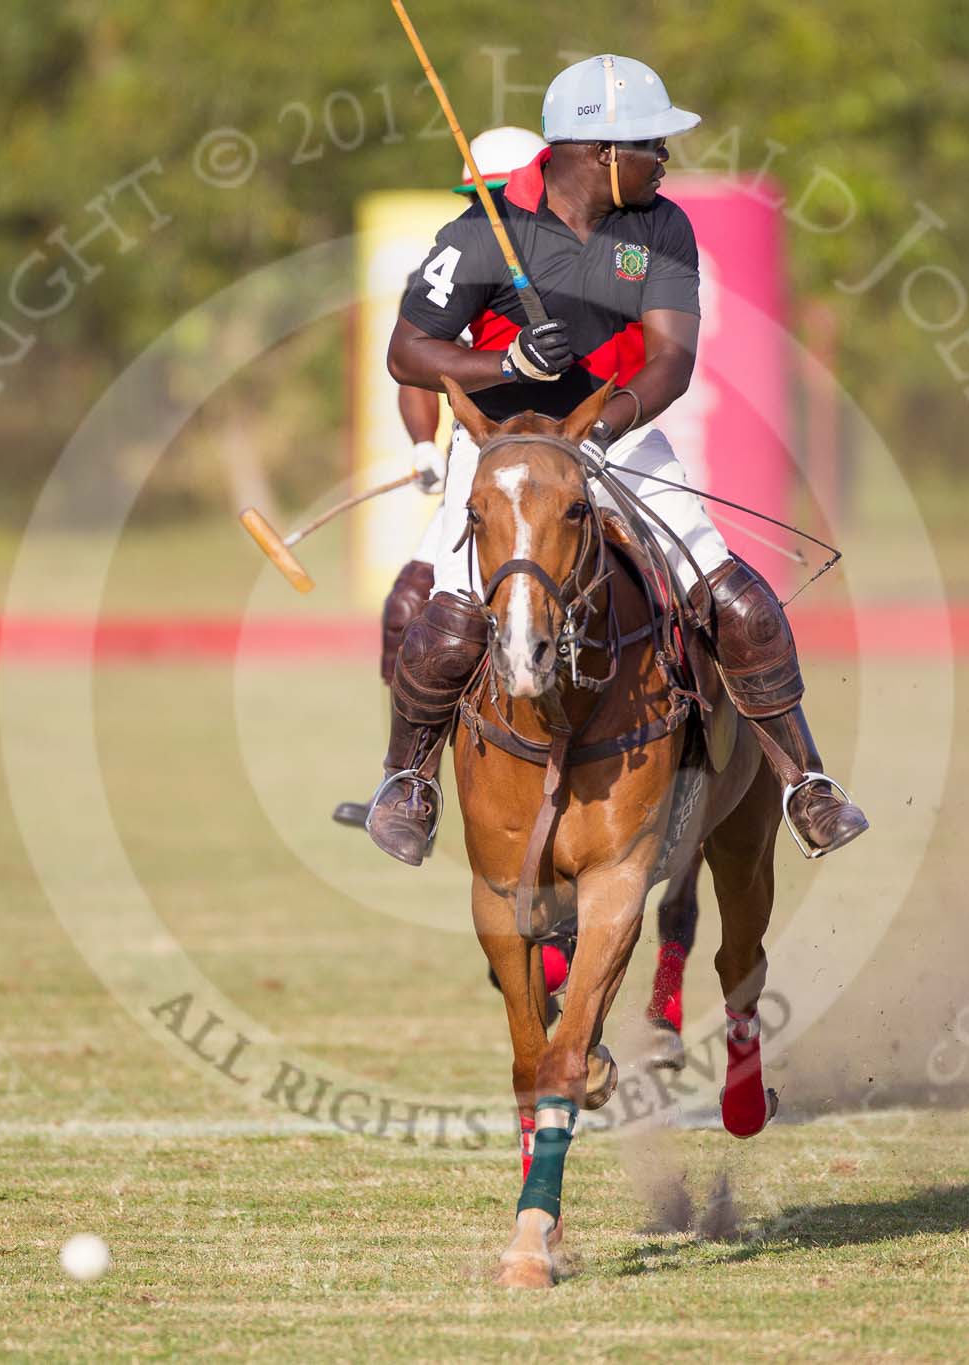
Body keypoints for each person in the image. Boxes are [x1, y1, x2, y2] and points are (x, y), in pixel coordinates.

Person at [364, 54, 869, 866]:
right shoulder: (485, 230)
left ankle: (804, 780)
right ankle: (406, 783)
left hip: (617, 436)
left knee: (735, 597)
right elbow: (407, 353)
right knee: (449, 621)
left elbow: (671, 358)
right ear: (598, 151)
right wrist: (510, 368)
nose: (665, 160)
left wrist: (604, 425)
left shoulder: (660, 225)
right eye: (652, 145)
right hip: (503, 448)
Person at [333, 126, 550, 828]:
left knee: (688, 578)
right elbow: (421, 358)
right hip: (482, 454)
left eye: (496, 197)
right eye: (474, 198)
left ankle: (767, 763)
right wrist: (426, 443)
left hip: (583, 444)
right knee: (409, 606)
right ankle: (407, 782)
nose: (481, 213)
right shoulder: (454, 258)